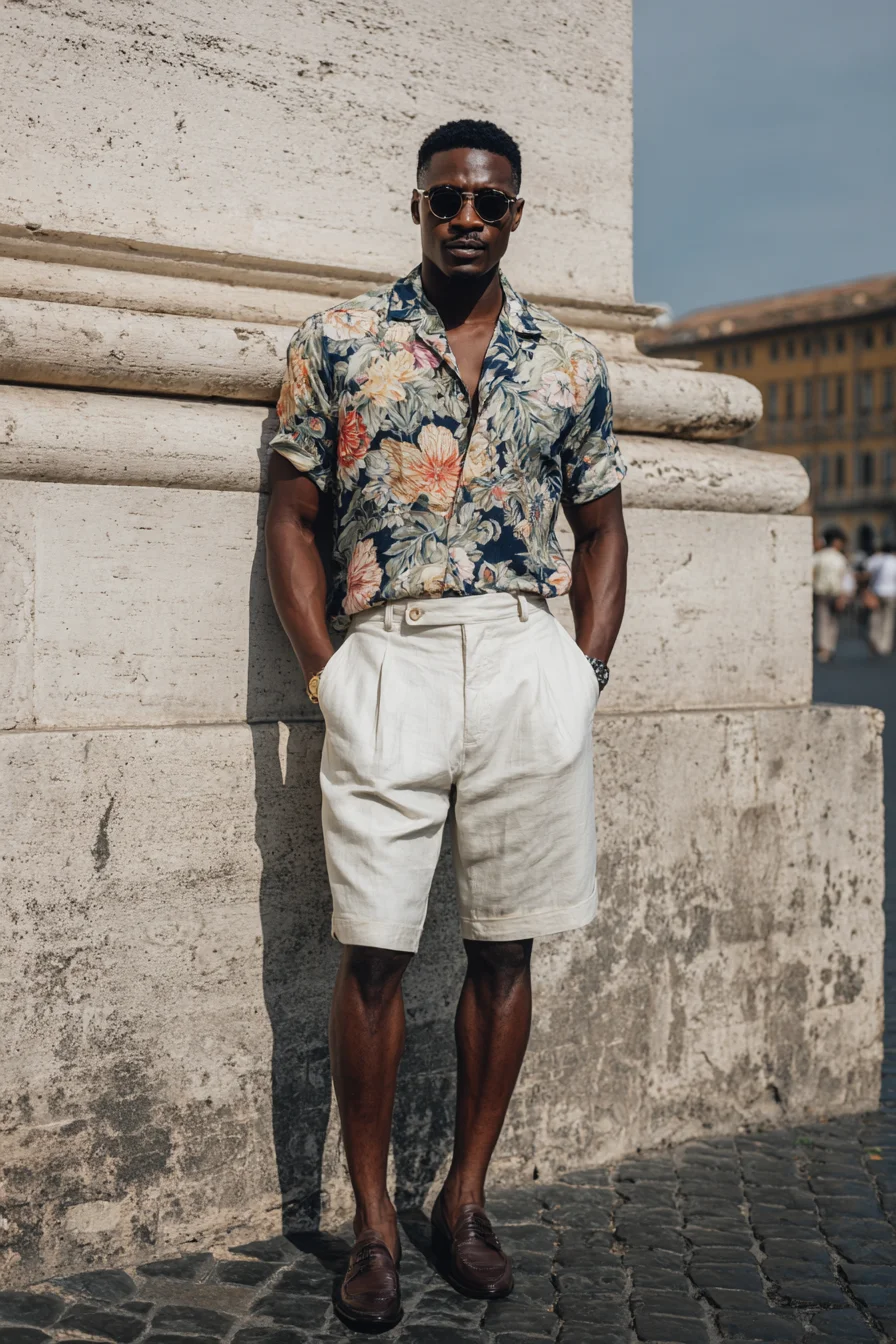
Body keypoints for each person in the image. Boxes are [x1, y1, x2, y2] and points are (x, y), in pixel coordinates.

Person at [265, 118, 627, 1329]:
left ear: (515, 213)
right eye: (444, 200)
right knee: (370, 947)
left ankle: (460, 1203)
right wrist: (328, 676)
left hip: (528, 659)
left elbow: (605, 531)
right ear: (415, 205)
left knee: (504, 945)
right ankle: (371, 1223)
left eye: (487, 202)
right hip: (391, 656)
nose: (465, 217)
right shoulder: (338, 341)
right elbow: (289, 518)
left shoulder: (568, 362)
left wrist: (582, 671)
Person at [812, 526, 849, 662]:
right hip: (835, 592)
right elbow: (845, 578)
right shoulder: (840, 558)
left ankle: (823, 647)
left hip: (821, 592)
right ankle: (830, 645)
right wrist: (844, 595)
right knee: (833, 621)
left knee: (822, 619)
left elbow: (811, 573)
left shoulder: (818, 556)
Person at [866, 540, 896, 656]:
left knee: (875, 617)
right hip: (891, 593)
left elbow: (868, 575)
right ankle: (884, 645)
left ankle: (874, 638)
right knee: (888, 620)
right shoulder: (894, 561)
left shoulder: (876, 560)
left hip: (877, 592)